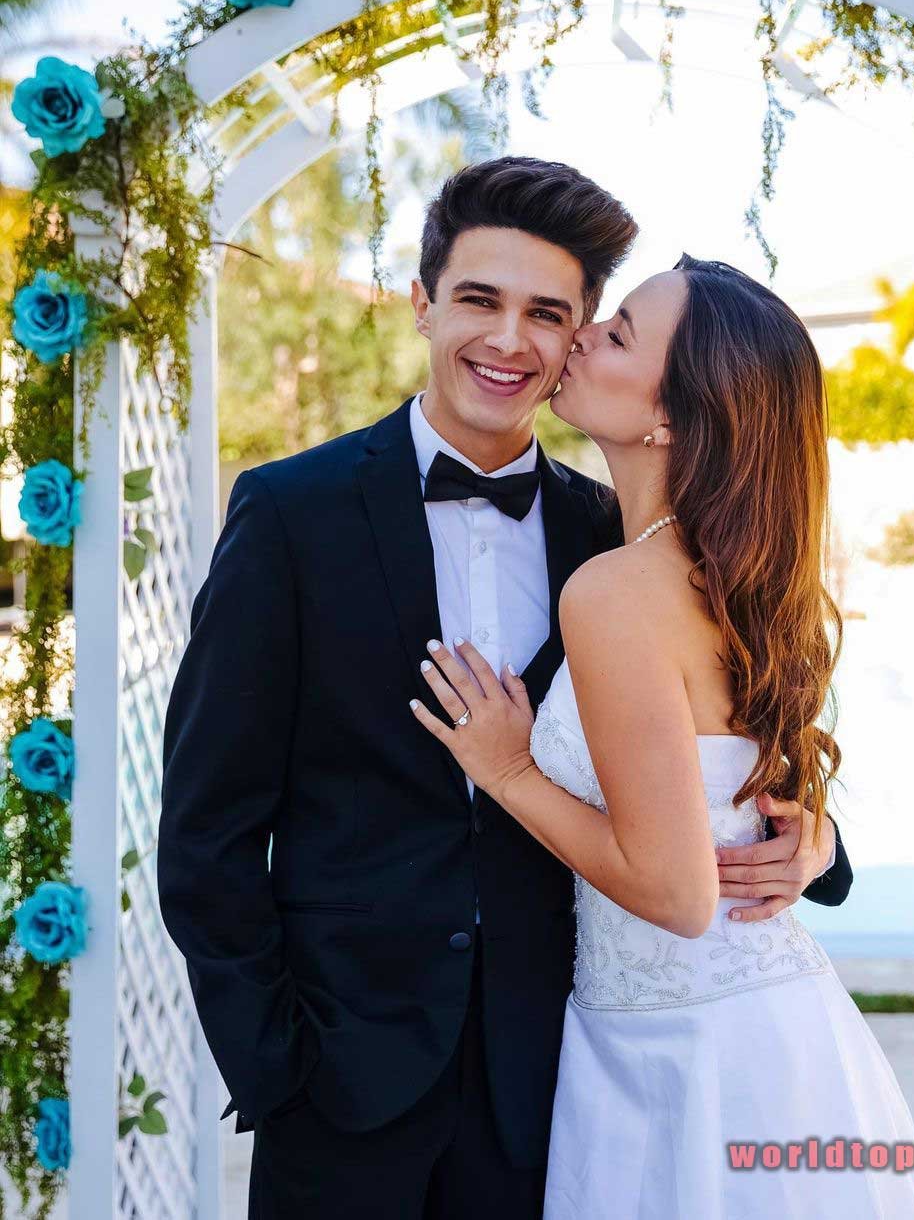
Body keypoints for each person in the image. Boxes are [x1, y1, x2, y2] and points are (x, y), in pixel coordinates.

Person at [157, 160, 852, 1220]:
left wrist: (819, 844)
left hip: (558, 1087)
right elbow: (206, 826)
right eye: (479, 300)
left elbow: (738, 750)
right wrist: (275, 1065)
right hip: (339, 1083)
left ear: (577, 337)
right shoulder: (290, 514)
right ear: (423, 303)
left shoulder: (618, 541)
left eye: (549, 315)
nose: (509, 339)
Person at [410, 255, 914, 1217]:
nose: (579, 335)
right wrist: (809, 835)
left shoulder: (619, 589)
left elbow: (677, 893)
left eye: (617, 333)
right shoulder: (727, 572)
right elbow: (729, 785)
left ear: (675, 415)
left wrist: (510, 769)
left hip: (693, 1059)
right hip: (757, 1027)